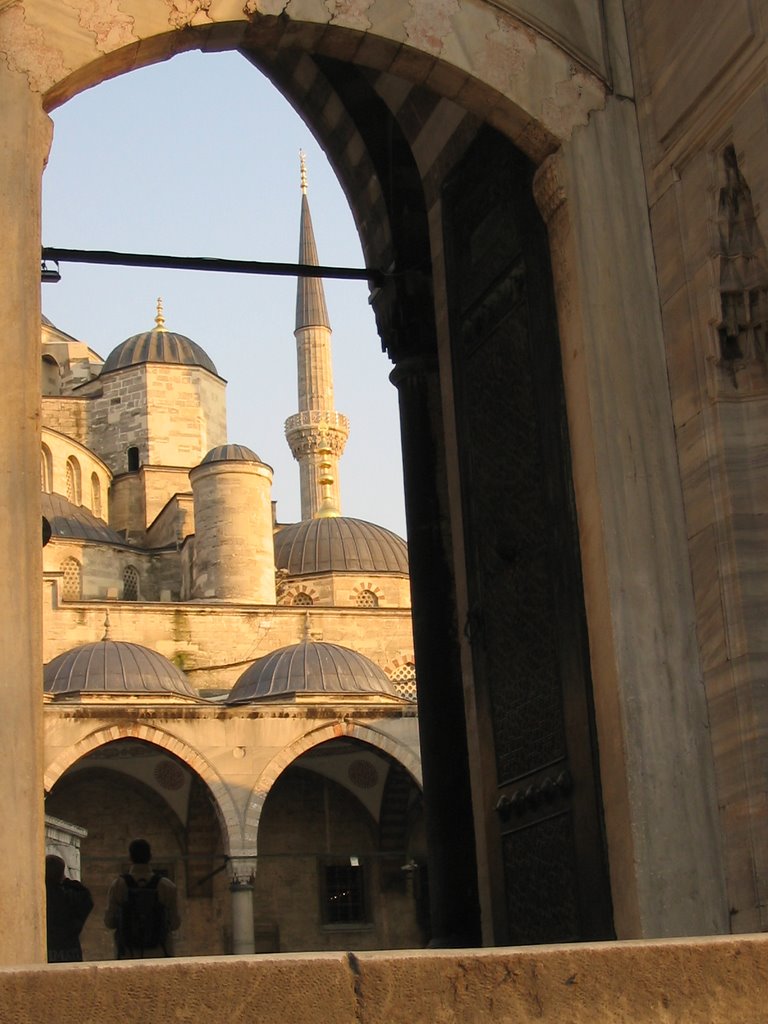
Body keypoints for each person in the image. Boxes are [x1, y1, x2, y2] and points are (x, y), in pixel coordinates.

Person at [104, 838, 180, 958]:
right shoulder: (167, 886)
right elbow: (175, 923)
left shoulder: (118, 885)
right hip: (159, 954)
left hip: (128, 954)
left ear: (130, 857)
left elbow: (109, 922)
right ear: (150, 856)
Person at [45, 853, 94, 963]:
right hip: (70, 951)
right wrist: (66, 881)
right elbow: (86, 897)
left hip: (48, 950)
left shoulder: (43, 896)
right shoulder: (71, 896)